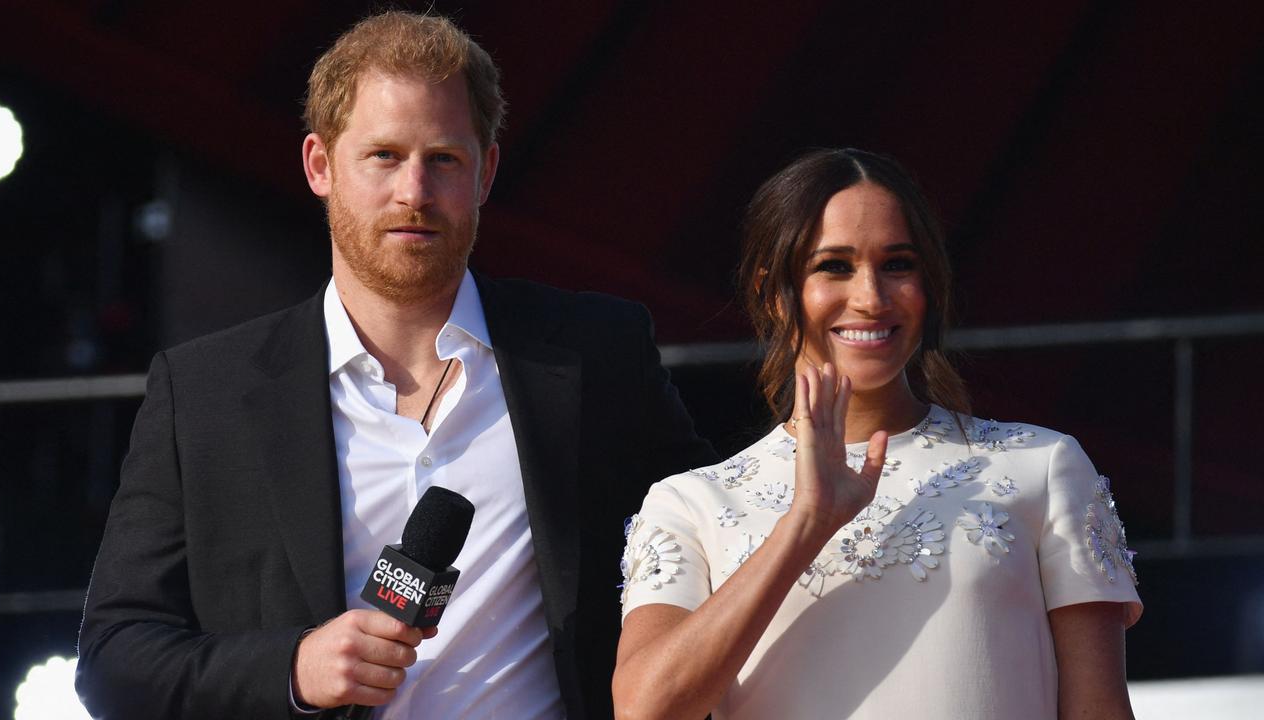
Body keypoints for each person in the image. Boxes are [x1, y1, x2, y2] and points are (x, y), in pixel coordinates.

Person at [75, 11, 715, 720]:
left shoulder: (597, 350)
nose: (414, 192)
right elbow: (113, 663)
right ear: (320, 164)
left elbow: (719, 542)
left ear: (486, 172)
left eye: (443, 159)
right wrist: (294, 668)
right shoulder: (204, 395)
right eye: (383, 156)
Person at [612, 148, 1141, 719]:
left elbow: (1099, 710)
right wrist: (807, 522)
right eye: (834, 266)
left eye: (897, 264)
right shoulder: (692, 504)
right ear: (771, 293)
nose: (870, 298)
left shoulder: (1041, 466)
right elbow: (646, 710)